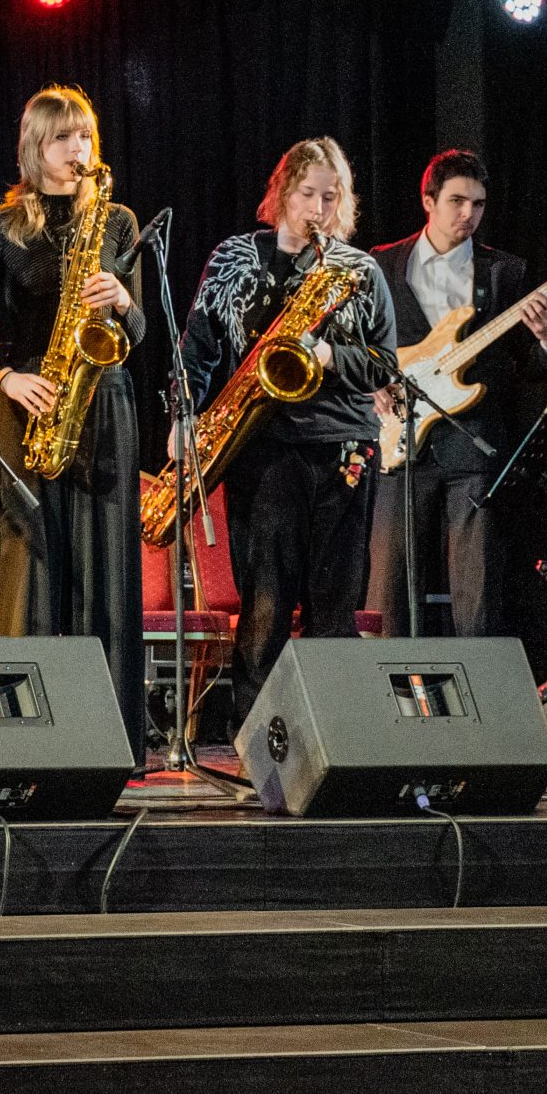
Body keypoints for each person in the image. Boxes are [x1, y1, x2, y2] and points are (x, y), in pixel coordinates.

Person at [174, 137, 398, 731]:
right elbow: (196, 350)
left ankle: (334, 735)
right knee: (265, 602)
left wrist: (328, 355)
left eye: (330, 197)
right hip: (261, 446)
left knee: (335, 604)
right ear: (280, 194)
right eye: (306, 194)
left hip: (345, 446)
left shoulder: (359, 270)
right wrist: (183, 417)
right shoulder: (233, 258)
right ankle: (257, 737)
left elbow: (383, 364)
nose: (317, 209)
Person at [0, 86, 148, 763]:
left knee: (107, 572)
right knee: (29, 570)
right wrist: (8, 378)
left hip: (103, 399)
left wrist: (122, 300)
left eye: (85, 136)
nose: (78, 149)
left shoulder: (117, 220)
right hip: (29, 401)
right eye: (63, 137)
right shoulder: (0, 228)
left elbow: (139, 332)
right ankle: (28, 739)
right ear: (34, 147)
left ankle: (112, 740)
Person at [365, 149, 547, 638]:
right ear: (428, 200)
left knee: (478, 593)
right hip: (398, 442)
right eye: (456, 201)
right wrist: (370, 384)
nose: (468, 214)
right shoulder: (380, 264)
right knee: (387, 590)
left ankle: (478, 684)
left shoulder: (504, 272)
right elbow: (359, 343)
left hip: (472, 441)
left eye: (478, 204)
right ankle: (387, 685)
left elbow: (528, 367)